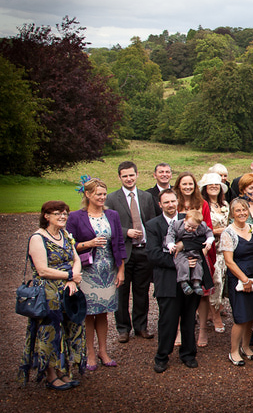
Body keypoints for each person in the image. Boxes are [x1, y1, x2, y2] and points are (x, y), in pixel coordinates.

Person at [19, 201, 85, 389]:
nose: (63, 216)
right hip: (47, 294)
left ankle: (63, 370)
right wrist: (69, 276)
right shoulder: (37, 238)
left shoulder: (65, 235)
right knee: (49, 332)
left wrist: (73, 280)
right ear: (46, 216)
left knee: (68, 329)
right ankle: (50, 375)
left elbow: (76, 260)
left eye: (65, 213)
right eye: (58, 213)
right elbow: (42, 270)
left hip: (68, 291)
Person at [146, 189, 211, 372]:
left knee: (189, 319)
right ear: (160, 205)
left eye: (173, 201)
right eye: (166, 202)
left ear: (177, 201)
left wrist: (184, 247)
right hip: (167, 279)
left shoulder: (188, 219)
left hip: (191, 277)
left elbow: (201, 240)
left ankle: (188, 354)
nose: (170, 205)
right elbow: (153, 254)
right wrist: (180, 262)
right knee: (168, 320)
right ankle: (162, 356)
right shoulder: (153, 225)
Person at [66, 177, 125, 371]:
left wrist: (121, 270)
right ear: (88, 194)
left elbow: (119, 243)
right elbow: (68, 244)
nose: (102, 197)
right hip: (86, 271)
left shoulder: (112, 215)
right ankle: (90, 352)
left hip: (108, 269)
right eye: (98, 194)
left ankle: (103, 351)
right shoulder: (76, 217)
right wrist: (89, 244)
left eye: (104, 194)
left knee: (103, 312)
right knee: (88, 313)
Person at [104, 160, 156, 344]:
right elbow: (108, 225)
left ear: (137, 175)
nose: (128, 178)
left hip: (143, 251)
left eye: (131, 175)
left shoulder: (146, 197)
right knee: (122, 292)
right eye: (125, 176)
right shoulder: (112, 198)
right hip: (124, 252)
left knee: (142, 291)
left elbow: (151, 222)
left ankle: (141, 326)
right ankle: (123, 328)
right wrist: (126, 231)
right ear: (119, 177)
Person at [221, 197, 253, 366]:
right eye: (238, 210)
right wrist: (244, 279)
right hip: (239, 279)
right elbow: (229, 261)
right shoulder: (228, 233)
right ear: (232, 213)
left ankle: (246, 347)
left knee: (252, 314)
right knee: (241, 316)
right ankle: (234, 351)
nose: (242, 213)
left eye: (244, 209)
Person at [199, 170, 229, 337]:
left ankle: (214, 310)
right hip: (211, 247)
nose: (214, 187)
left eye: (216, 185)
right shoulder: (203, 205)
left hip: (225, 247)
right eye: (210, 185)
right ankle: (215, 315)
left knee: (223, 279)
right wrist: (218, 231)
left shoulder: (225, 205)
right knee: (215, 279)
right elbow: (202, 227)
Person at [164, 209, 214, 295]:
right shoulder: (177, 225)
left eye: (194, 227)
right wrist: (171, 244)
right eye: (188, 226)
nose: (190, 229)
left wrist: (209, 241)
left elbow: (209, 232)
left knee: (198, 263)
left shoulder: (202, 226)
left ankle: (197, 283)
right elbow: (170, 235)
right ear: (185, 221)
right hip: (180, 250)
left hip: (193, 249)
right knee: (182, 262)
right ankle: (183, 282)